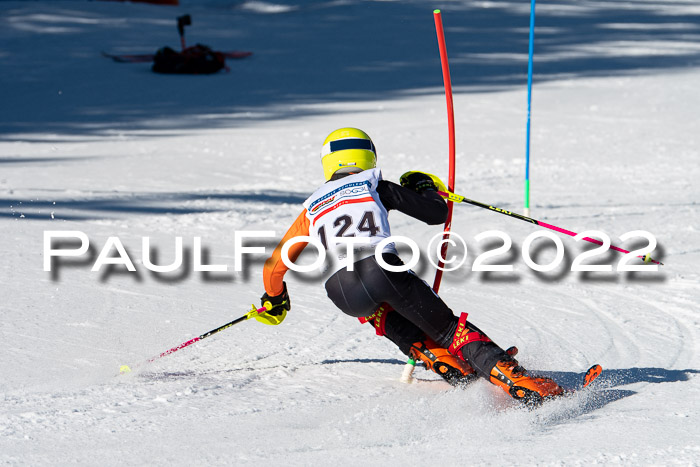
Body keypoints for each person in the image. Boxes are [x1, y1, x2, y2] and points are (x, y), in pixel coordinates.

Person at [258, 127, 564, 405]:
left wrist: (275, 299)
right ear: (369, 155)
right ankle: (524, 385)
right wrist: (425, 187)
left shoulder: (313, 206)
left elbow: (274, 266)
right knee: (448, 329)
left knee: (384, 314)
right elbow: (435, 213)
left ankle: (449, 363)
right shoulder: (374, 185)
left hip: (340, 290)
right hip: (381, 270)